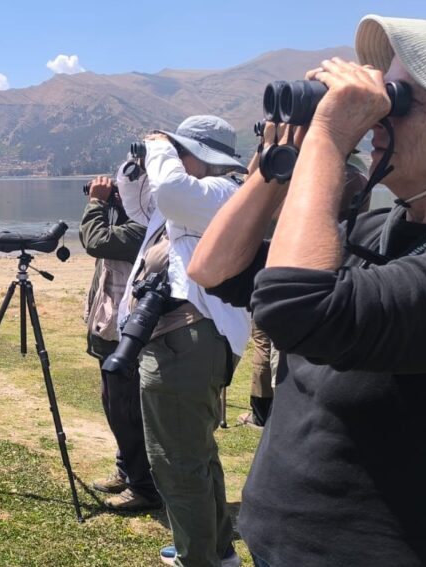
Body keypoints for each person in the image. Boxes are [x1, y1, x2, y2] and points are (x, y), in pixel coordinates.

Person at [186, 2, 426, 566]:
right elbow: (214, 270)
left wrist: (329, 135)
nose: (377, 116)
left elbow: (296, 306)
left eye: (402, 98)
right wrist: (280, 163)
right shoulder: (378, 226)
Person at [115, 115, 250, 567]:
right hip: (187, 340)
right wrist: (137, 165)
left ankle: (198, 558)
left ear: (201, 156)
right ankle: (213, 548)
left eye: (178, 149)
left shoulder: (223, 191)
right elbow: (141, 209)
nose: (169, 156)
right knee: (196, 454)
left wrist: (159, 148)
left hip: (187, 341)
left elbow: (170, 194)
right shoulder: (196, 200)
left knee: (176, 461)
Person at [238, 153, 370, 429]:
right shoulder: (356, 177)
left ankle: (273, 415)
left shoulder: (324, 179)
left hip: (297, 270)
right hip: (328, 270)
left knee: (273, 348)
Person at [79, 175, 159, 511]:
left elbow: (95, 240)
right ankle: (128, 470)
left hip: (123, 332)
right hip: (109, 329)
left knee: (126, 410)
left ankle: (144, 486)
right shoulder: (131, 224)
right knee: (116, 406)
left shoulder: (144, 229)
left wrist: (97, 202)